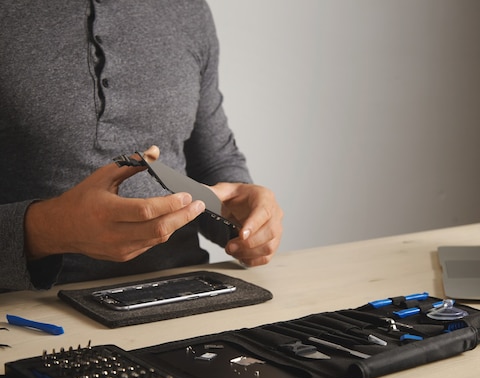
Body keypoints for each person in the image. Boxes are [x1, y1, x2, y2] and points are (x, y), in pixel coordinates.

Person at [0, 1, 283, 291]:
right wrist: (51, 229)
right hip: (30, 315)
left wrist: (246, 222)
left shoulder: (187, 9)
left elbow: (212, 163)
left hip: (187, 292)